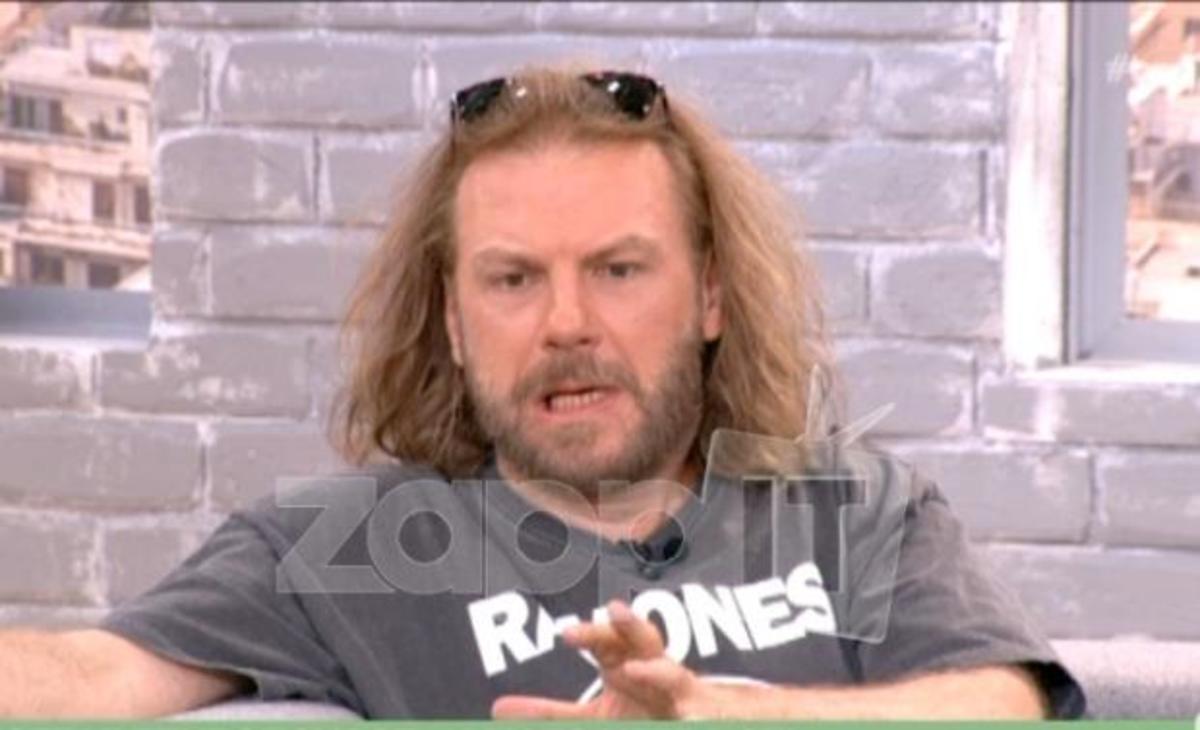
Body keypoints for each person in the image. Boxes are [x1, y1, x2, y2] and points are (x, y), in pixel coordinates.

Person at [0, 67, 1085, 720]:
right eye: (514, 279)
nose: (567, 323)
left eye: (618, 269)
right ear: (454, 318)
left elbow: (1003, 699)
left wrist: (727, 716)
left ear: (710, 293)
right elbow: (89, 677)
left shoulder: (854, 509)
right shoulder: (337, 550)